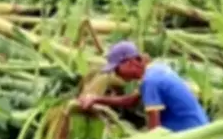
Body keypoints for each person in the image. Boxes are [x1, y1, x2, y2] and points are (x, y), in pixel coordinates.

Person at [78, 40, 209, 132]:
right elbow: (130, 101)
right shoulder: (156, 69)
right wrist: (96, 99)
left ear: (130, 63)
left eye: (117, 69)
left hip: (189, 133)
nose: (116, 74)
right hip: (200, 126)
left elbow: (155, 132)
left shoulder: (151, 81)